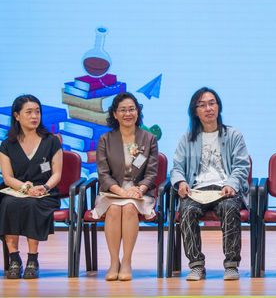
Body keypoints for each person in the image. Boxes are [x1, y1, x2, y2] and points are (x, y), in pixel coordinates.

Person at [170, 87, 250, 281]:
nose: (208, 108)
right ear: (195, 111)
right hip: (197, 190)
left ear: (218, 106)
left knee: (230, 208)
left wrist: (231, 184)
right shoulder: (186, 139)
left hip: (225, 190)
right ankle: (196, 265)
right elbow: (177, 168)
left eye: (212, 103)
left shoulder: (233, 135)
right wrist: (181, 182)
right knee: (186, 211)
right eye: (202, 105)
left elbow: (241, 166)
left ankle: (231, 265)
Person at [91, 92, 159, 281]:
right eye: (122, 110)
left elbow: (151, 173)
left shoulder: (149, 139)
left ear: (138, 112)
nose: (128, 114)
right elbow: (103, 174)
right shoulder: (105, 139)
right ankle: (114, 262)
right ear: (114, 114)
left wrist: (139, 190)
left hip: (139, 193)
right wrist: (121, 192)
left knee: (129, 207)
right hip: (113, 191)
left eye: (131, 109)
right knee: (114, 209)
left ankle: (127, 261)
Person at [0, 95, 62, 279]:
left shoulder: (51, 141)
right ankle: (14, 258)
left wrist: (44, 187)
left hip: (45, 192)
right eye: (29, 112)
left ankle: (33, 259)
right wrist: (26, 188)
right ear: (17, 116)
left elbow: (57, 173)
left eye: (37, 112)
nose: (34, 116)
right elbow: (7, 177)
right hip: (16, 190)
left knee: (32, 204)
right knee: (8, 204)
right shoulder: (7, 144)